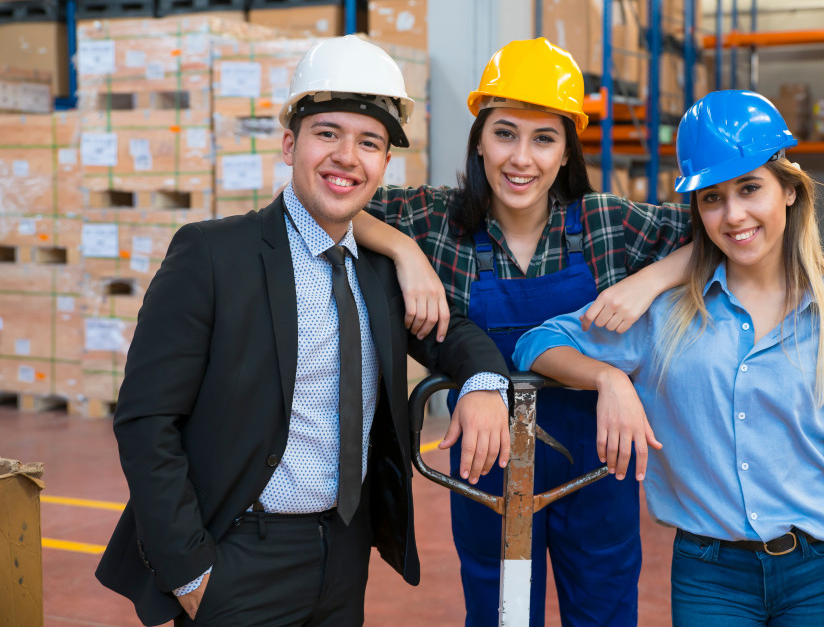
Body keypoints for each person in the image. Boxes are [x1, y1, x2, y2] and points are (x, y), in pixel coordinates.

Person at [94, 35, 512, 627]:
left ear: (384, 165)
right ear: (290, 143)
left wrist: (487, 383)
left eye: (369, 142)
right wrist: (191, 573)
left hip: (344, 555)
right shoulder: (214, 255)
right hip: (240, 555)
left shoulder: (381, 271)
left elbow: (454, 333)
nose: (347, 157)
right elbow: (145, 420)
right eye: (327, 133)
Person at [514, 90, 824, 626]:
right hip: (709, 577)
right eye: (712, 198)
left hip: (820, 573)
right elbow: (537, 343)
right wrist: (608, 378)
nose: (733, 215)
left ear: (788, 190)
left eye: (749, 189)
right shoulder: (664, 317)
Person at [351, 37, 693, 626]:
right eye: (505, 132)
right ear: (479, 139)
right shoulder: (435, 221)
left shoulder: (607, 224)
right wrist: (405, 251)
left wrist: (649, 280)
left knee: (606, 610)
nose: (521, 158)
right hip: (489, 461)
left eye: (544, 138)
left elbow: (723, 233)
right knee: (499, 613)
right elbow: (319, 199)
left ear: (566, 152)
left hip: (598, 463)